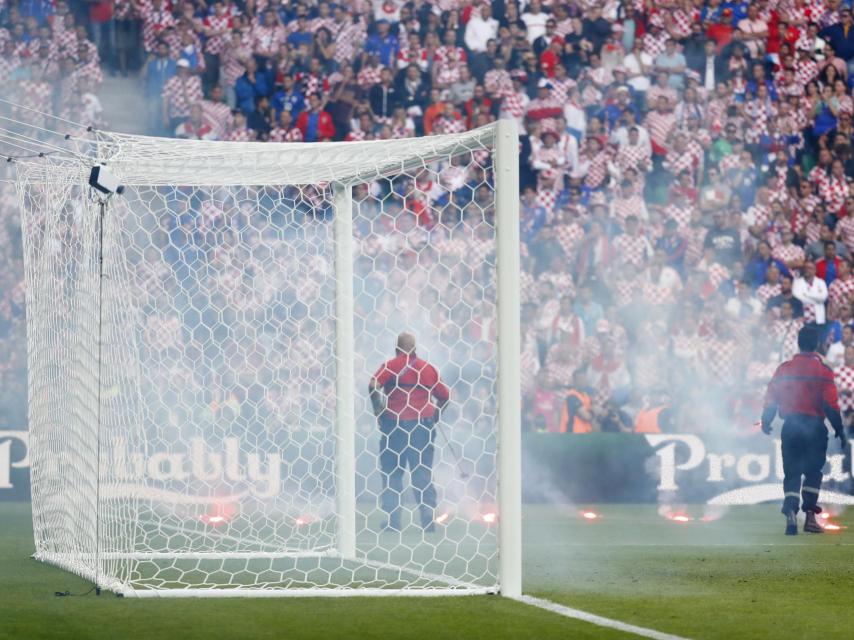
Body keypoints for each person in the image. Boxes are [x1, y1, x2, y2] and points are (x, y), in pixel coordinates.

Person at [760, 325, 848, 535]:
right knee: (812, 472)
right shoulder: (823, 371)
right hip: (814, 428)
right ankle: (809, 517)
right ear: (817, 344)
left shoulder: (784, 369)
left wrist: (766, 420)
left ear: (798, 344)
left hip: (790, 426)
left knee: (791, 472)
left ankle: (790, 512)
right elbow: (830, 405)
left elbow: (771, 398)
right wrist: (839, 429)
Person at [369, 332, 449, 532]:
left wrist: (378, 408)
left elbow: (373, 385)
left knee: (392, 473)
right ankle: (427, 517)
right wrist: (436, 414)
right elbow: (445, 396)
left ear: (396, 348)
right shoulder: (428, 368)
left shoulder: (390, 366)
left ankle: (393, 521)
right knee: (422, 472)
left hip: (394, 426)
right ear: (415, 349)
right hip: (422, 426)